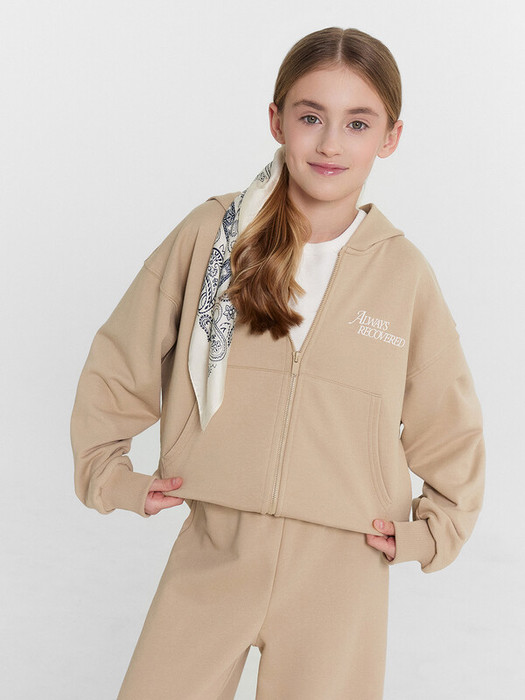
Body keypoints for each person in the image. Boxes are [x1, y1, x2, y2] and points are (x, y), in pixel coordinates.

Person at [70, 26, 485, 699]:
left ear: (390, 137)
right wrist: (109, 476)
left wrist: (432, 534)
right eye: (311, 116)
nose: (330, 143)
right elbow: (120, 357)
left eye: (357, 123)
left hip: (343, 568)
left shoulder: (404, 274)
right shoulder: (214, 236)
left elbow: (450, 424)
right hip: (216, 545)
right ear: (277, 120)